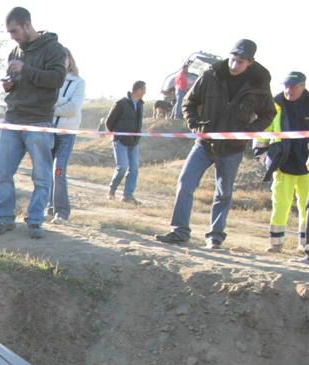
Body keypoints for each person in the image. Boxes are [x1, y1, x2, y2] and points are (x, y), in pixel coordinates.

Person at [156, 40, 275, 249]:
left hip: (232, 149)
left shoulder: (259, 83)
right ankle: (179, 231)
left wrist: (247, 132)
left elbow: (268, 113)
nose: (235, 64)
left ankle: (215, 237)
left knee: (224, 193)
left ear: (250, 62)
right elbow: (188, 103)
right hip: (204, 144)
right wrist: (195, 126)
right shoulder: (211, 74)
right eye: (233, 58)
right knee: (185, 184)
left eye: (240, 61)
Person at [0, 7, 65, 239]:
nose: (12, 36)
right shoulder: (14, 52)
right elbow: (17, 79)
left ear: (27, 24)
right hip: (13, 118)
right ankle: (4, 218)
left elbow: (56, 79)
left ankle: (35, 220)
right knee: (2, 171)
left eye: (14, 31)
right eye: (9, 32)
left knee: (41, 176)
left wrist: (26, 69)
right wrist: (9, 84)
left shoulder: (53, 49)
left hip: (39, 120)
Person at [256, 71, 308, 257]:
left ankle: (305, 245)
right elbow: (264, 130)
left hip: (307, 166)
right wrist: (261, 153)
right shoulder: (275, 104)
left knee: (306, 208)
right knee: (280, 205)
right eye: (286, 86)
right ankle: (276, 244)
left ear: (303, 86)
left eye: (293, 86)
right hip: (283, 164)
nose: (289, 90)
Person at [47, 48, 85, 223]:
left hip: (66, 133)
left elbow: (73, 108)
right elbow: (43, 103)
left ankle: (62, 212)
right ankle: (49, 207)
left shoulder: (78, 82)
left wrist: (54, 107)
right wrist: (62, 104)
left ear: (70, 60)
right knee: (45, 171)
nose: (62, 62)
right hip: (47, 131)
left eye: (65, 58)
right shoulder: (50, 80)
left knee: (58, 171)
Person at [105, 80, 145, 205]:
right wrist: (117, 133)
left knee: (134, 168)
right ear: (138, 90)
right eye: (144, 89)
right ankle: (112, 190)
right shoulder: (121, 103)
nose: (145, 92)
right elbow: (109, 122)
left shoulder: (140, 104)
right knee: (122, 167)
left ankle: (128, 196)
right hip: (120, 140)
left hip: (134, 141)